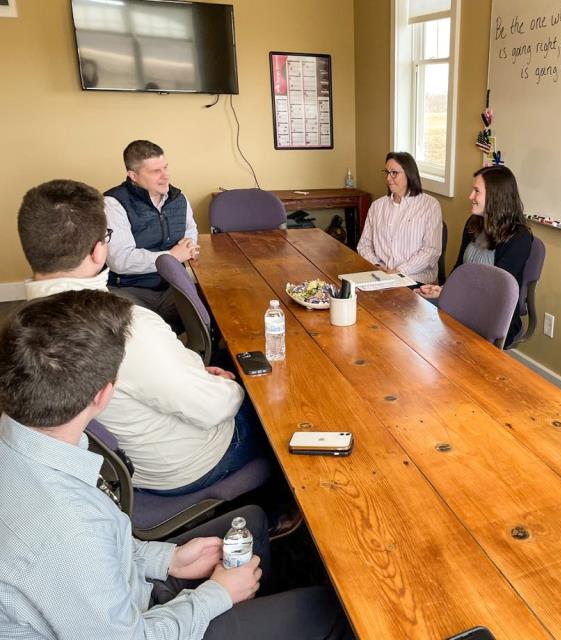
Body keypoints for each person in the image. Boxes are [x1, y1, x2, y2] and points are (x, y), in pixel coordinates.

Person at [0, 290, 348, 639]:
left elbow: (101, 551)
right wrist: (217, 595)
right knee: (330, 611)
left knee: (251, 522)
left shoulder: (29, 442)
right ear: (104, 395)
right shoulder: (68, 530)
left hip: (126, 594)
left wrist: (167, 559)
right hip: (140, 627)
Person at [18, 179, 265, 496]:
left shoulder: (22, 327)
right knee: (269, 405)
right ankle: (283, 508)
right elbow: (212, 407)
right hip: (187, 466)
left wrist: (191, 373)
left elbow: (138, 379)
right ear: (98, 251)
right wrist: (232, 385)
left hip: (122, 466)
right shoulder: (130, 327)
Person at [419, 165, 533, 347]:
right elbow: (459, 268)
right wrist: (444, 289)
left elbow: (496, 291)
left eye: (476, 191)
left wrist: (452, 296)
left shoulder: (520, 238)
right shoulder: (473, 224)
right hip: (464, 303)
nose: (470, 196)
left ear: (495, 196)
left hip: (492, 315)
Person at [104, 139, 200, 331]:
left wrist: (190, 245)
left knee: (215, 311)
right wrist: (172, 257)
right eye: (156, 171)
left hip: (173, 286)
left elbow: (191, 230)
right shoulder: (113, 204)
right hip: (129, 291)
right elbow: (120, 261)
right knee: (139, 332)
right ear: (133, 175)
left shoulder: (179, 199)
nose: (166, 176)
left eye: (165, 167)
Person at [357, 151, 442, 285]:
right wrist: (377, 266)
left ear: (409, 174)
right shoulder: (377, 206)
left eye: (394, 173)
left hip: (415, 280)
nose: (388, 178)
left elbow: (431, 251)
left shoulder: (430, 206)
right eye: (387, 172)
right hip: (380, 277)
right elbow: (364, 245)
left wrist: (398, 271)